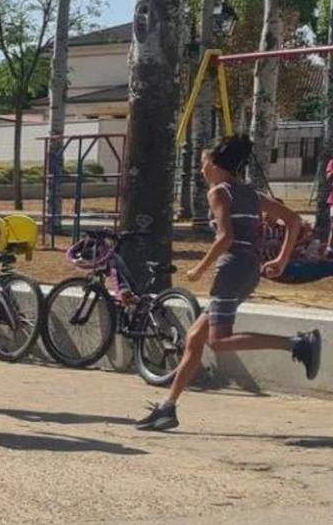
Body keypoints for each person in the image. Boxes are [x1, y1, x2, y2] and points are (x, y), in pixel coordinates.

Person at [135, 135, 321, 431]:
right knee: (195, 340)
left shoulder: (218, 192)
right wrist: (280, 261)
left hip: (232, 269)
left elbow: (226, 237)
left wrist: (198, 269)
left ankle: (297, 343)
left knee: (218, 342)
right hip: (248, 269)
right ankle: (167, 408)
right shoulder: (249, 192)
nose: (201, 169)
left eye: (203, 163)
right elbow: (294, 221)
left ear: (215, 163)